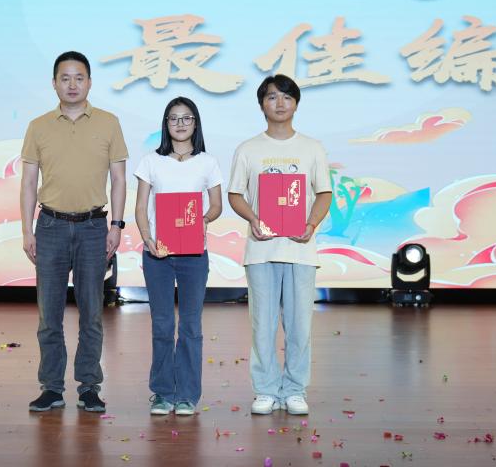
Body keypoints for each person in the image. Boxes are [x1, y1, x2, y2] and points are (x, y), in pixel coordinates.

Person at [21, 51, 128, 413]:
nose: (72, 85)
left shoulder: (109, 123)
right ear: (54, 83)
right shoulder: (38, 126)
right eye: (65, 78)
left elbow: (118, 179)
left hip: (94, 228)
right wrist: (27, 230)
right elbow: (28, 183)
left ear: (90, 82)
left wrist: (116, 225)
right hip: (50, 226)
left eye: (79, 78)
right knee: (49, 315)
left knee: (92, 313)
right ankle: (51, 388)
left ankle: (89, 387)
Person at [227, 74, 332, 416]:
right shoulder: (248, 149)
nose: (280, 103)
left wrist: (311, 224)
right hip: (261, 250)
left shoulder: (312, 148)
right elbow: (235, 194)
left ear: (296, 103)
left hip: (301, 249)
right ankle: (266, 390)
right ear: (262, 104)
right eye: (272, 97)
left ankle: (295, 389)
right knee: (263, 325)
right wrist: (253, 219)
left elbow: (324, 193)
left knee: (300, 326)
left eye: (286, 96)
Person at [134, 97, 222, 416]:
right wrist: (148, 239)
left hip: (194, 255)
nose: (180, 124)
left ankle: (187, 394)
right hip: (157, 254)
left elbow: (216, 205)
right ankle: (162, 393)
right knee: (162, 324)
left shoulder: (207, 162)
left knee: (190, 326)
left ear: (195, 123)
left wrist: (203, 220)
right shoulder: (151, 162)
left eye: (186, 118)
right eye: (174, 118)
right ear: (166, 124)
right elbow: (141, 208)